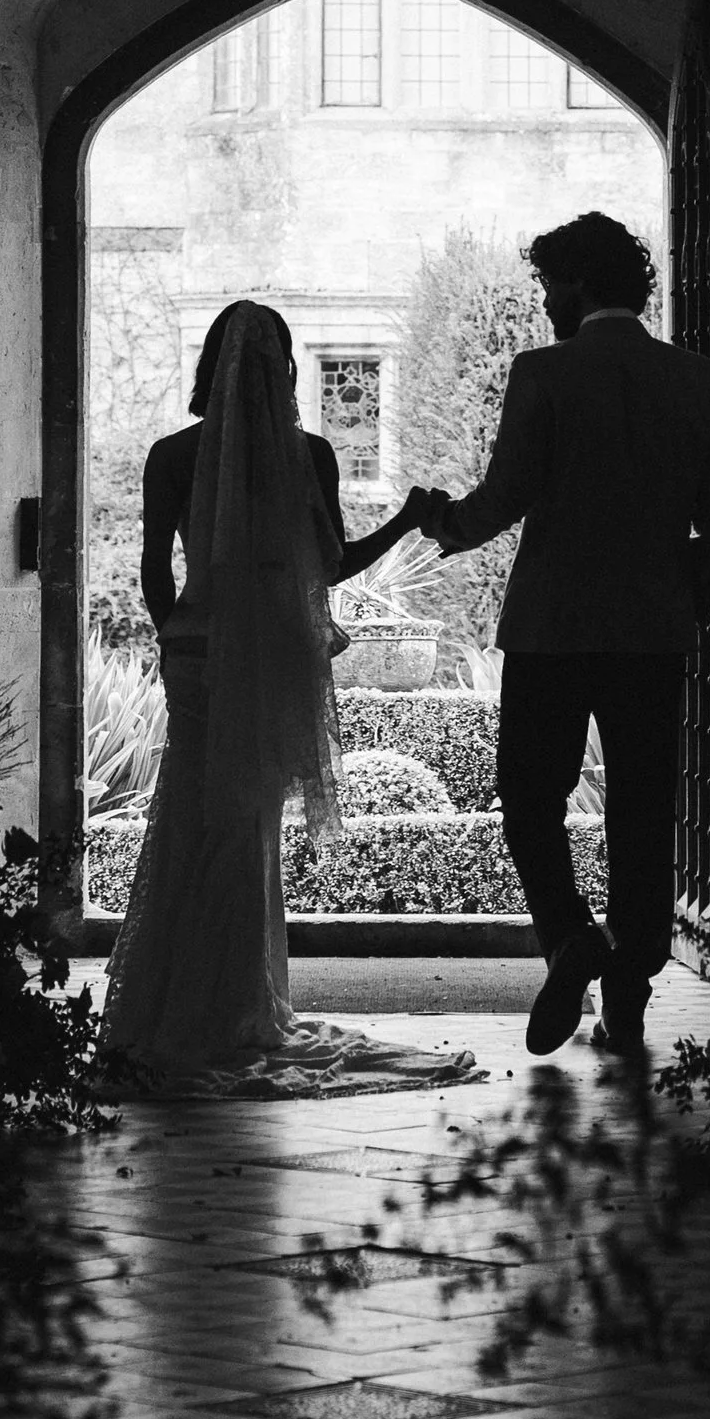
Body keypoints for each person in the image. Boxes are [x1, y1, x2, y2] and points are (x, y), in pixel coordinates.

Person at [100, 301, 458, 1093]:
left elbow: (155, 567)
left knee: (191, 813)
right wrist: (404, 518)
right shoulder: (310, 456)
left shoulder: (172, 455)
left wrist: (174, 637)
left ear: (210, 366)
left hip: (198, 649)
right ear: (285, 368)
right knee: (247, 824)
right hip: (271, 658)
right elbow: (329, 567)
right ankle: (234, 1003)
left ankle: (174, 1002)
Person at [406, 215, 710, 1065]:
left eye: (551, 286)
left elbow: (506, 493)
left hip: (552, 628)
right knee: (642, 809)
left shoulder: (544, 373)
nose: (547, 303)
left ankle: (568, 940)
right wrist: (687, 600)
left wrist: (438, 520)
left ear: (579, 286)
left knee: (528, 799)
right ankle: (628, 992)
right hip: (651, 634)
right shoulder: (698, 379)